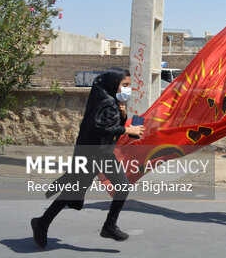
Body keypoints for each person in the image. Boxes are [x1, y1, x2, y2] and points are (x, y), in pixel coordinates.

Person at [30, 68, 145, 248]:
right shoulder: (106, 101)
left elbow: (108, 125)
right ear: (114, 84)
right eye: (124, 85)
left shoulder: (110, 100)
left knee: (112, 187)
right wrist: (127, 129)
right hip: (95, 155)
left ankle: (107, 226)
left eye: (129, 85)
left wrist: (123, 116)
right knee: (76, 192)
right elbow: (100, 128)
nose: (127, 89)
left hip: (101, 154)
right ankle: (42, 223)